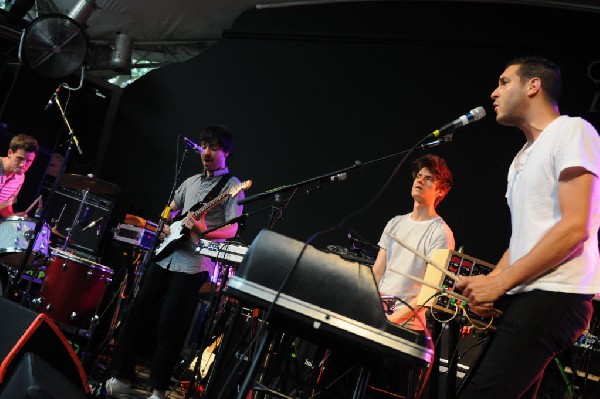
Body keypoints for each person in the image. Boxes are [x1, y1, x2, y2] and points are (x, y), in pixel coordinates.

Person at [456, 56, 600, 398]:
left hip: (556, 294)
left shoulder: (572, 131)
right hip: (529, 296)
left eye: (504, 82)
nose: (494, 92)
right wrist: (490, 285)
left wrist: (501, 283)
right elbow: (523, 239)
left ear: (533, 86)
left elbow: (575, 227)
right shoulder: (521, 157)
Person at [105, 124, 246, 399]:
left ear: (226, 152)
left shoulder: (232, 187)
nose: (206, 152)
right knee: (136, 314)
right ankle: (121, 376)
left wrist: (203, 229)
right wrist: (165, 225)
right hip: (165, 257)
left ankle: (158, 389)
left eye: (214, 148)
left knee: (170, 324)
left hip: (194, 264)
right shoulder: (190, 182)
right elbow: (170, 209)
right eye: (204, 146)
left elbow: (232, 230)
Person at [372, 153, 455, 329]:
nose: (420, 181)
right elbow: (377, 272)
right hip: (378, 312)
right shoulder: (395, 222)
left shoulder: (441, 233)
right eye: (419, 176)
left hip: (407, 323)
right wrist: (367, 306)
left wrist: (392, 321)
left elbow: (430, 292)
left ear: (441, 190)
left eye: (429, 178)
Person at [0, 134, 39, 218]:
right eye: (20, 158)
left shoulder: (20, 178)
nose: (22, 165)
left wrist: (14, 218)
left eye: (28, 161)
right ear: (10, 153)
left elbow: (4, 206)